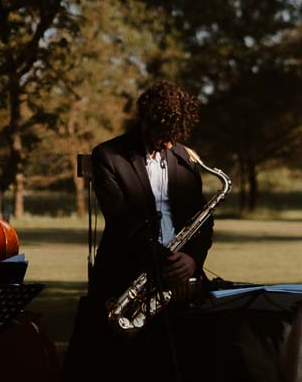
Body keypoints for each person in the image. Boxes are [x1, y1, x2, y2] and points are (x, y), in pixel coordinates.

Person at [65, 81, 213, 382]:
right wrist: (168, 265)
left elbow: (203, 220)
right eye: (164, 134)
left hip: (181, 275)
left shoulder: (186, 157)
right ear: (146, 120)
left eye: (175, 136)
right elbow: (123, 223)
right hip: (128, 275)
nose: (170, 143)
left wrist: (192, 262)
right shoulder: (108, 156)